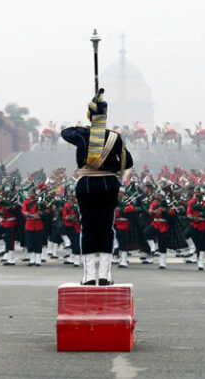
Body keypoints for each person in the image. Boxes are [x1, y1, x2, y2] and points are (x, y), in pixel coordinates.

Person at [60, 89, 134, 285]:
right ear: (105, 116)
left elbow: (65, 132)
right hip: (109, 185)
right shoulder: (114, 137)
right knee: (106, 228)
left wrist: (87, 124)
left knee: (88, 227)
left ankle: (89, 276)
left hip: (86, 186)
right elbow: (128, 163)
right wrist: (109, 167)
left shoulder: (82, 135)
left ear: (89, 115)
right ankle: (104, 275)